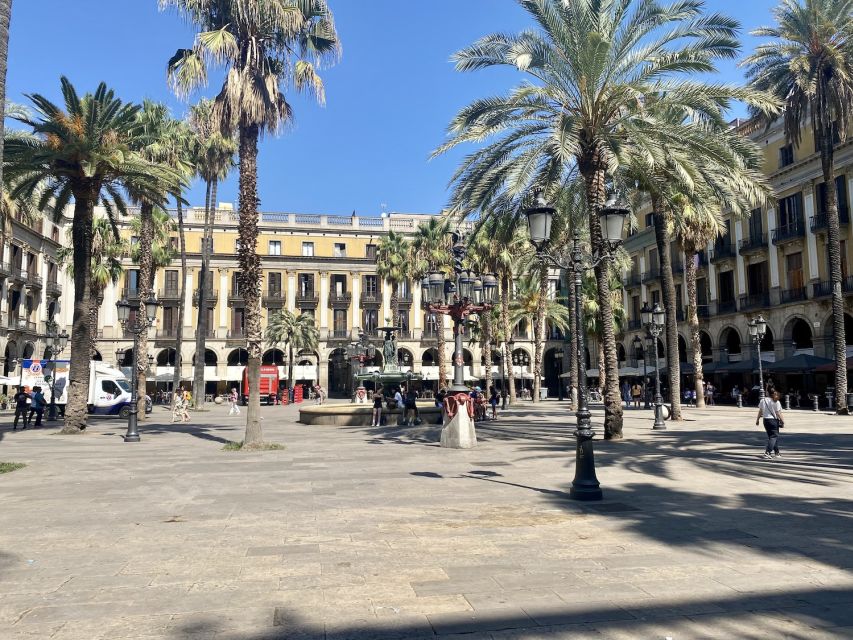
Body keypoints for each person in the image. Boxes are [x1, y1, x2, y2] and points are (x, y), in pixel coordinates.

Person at [756, 388, 784, 459]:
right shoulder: (776, 401)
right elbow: (778, 413)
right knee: (773, 436)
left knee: (772, 437)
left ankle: (777, 452)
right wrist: (782, 421)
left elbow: (760, 411)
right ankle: (767, 452)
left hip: (765, 420)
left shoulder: (763, 400)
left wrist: (757, 419)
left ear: (767, 393)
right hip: (773, 421)